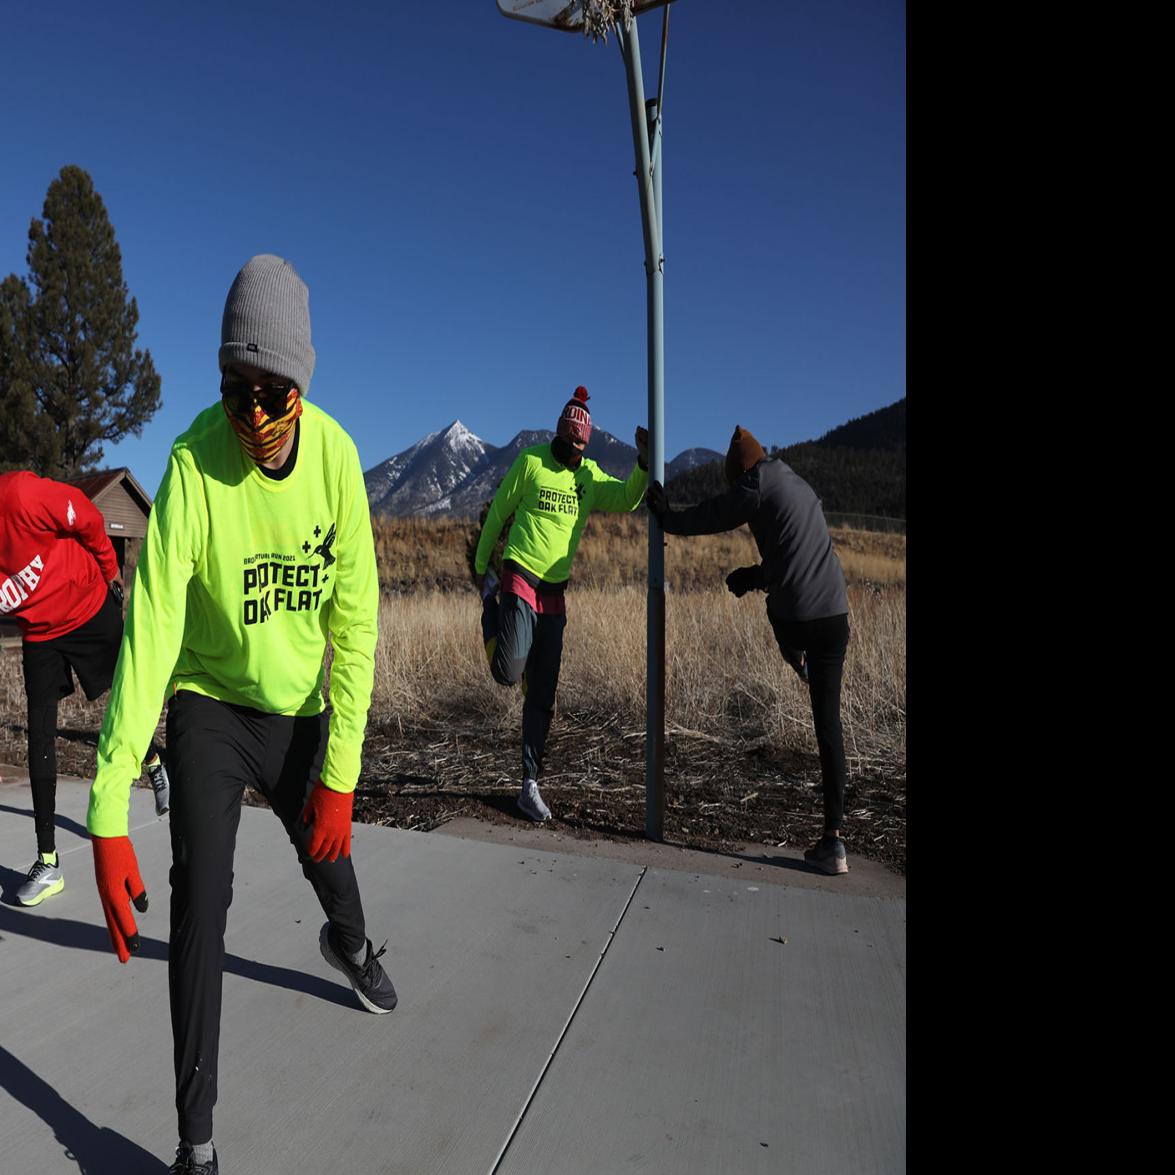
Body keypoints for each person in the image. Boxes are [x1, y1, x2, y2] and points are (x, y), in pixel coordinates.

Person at [86, 255, 396, 1175]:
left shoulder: (337, 460)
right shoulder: (190, 464)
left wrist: (339, 775)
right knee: (200, 903)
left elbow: (359, 622)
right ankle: (197, 1143)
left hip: (299, 711)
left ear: (301, 383)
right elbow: (149, 637)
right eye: (235, 393)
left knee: (332, 868)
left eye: (272, 393)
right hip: (210, 705)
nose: (253, 416)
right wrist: (106, 810)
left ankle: (349, 943)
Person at [645, 425, 852, 875]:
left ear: (742, 470)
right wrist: (750, 577)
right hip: (836, 616)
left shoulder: (754, 485)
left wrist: (668, 516)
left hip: (798, 617)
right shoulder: (792, 481)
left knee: (778, 616)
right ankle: (834, 840)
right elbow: (789, 561)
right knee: (828, 726)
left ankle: (793, 656)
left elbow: (714, 515)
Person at [473, 387, 648, 822]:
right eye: (569, 443)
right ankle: (488, 614)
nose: (574, 451)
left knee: (543, 695)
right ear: (559, 435)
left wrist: (645, 464)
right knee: (508, 671)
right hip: (518, 576)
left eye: (580, 445)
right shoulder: (531, 461)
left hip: (554, 594)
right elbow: (498, 511)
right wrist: (482, 572)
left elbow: (628, 498)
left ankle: (529, 784)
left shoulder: (588, 476)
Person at [0, 471, 169, 907]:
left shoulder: (19, 496)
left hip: (88, 604)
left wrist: (112, 575)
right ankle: (48, 861)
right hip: (40, 634)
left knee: (121, 697)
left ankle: (152, 759)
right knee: (40, 733)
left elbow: (88, 517)